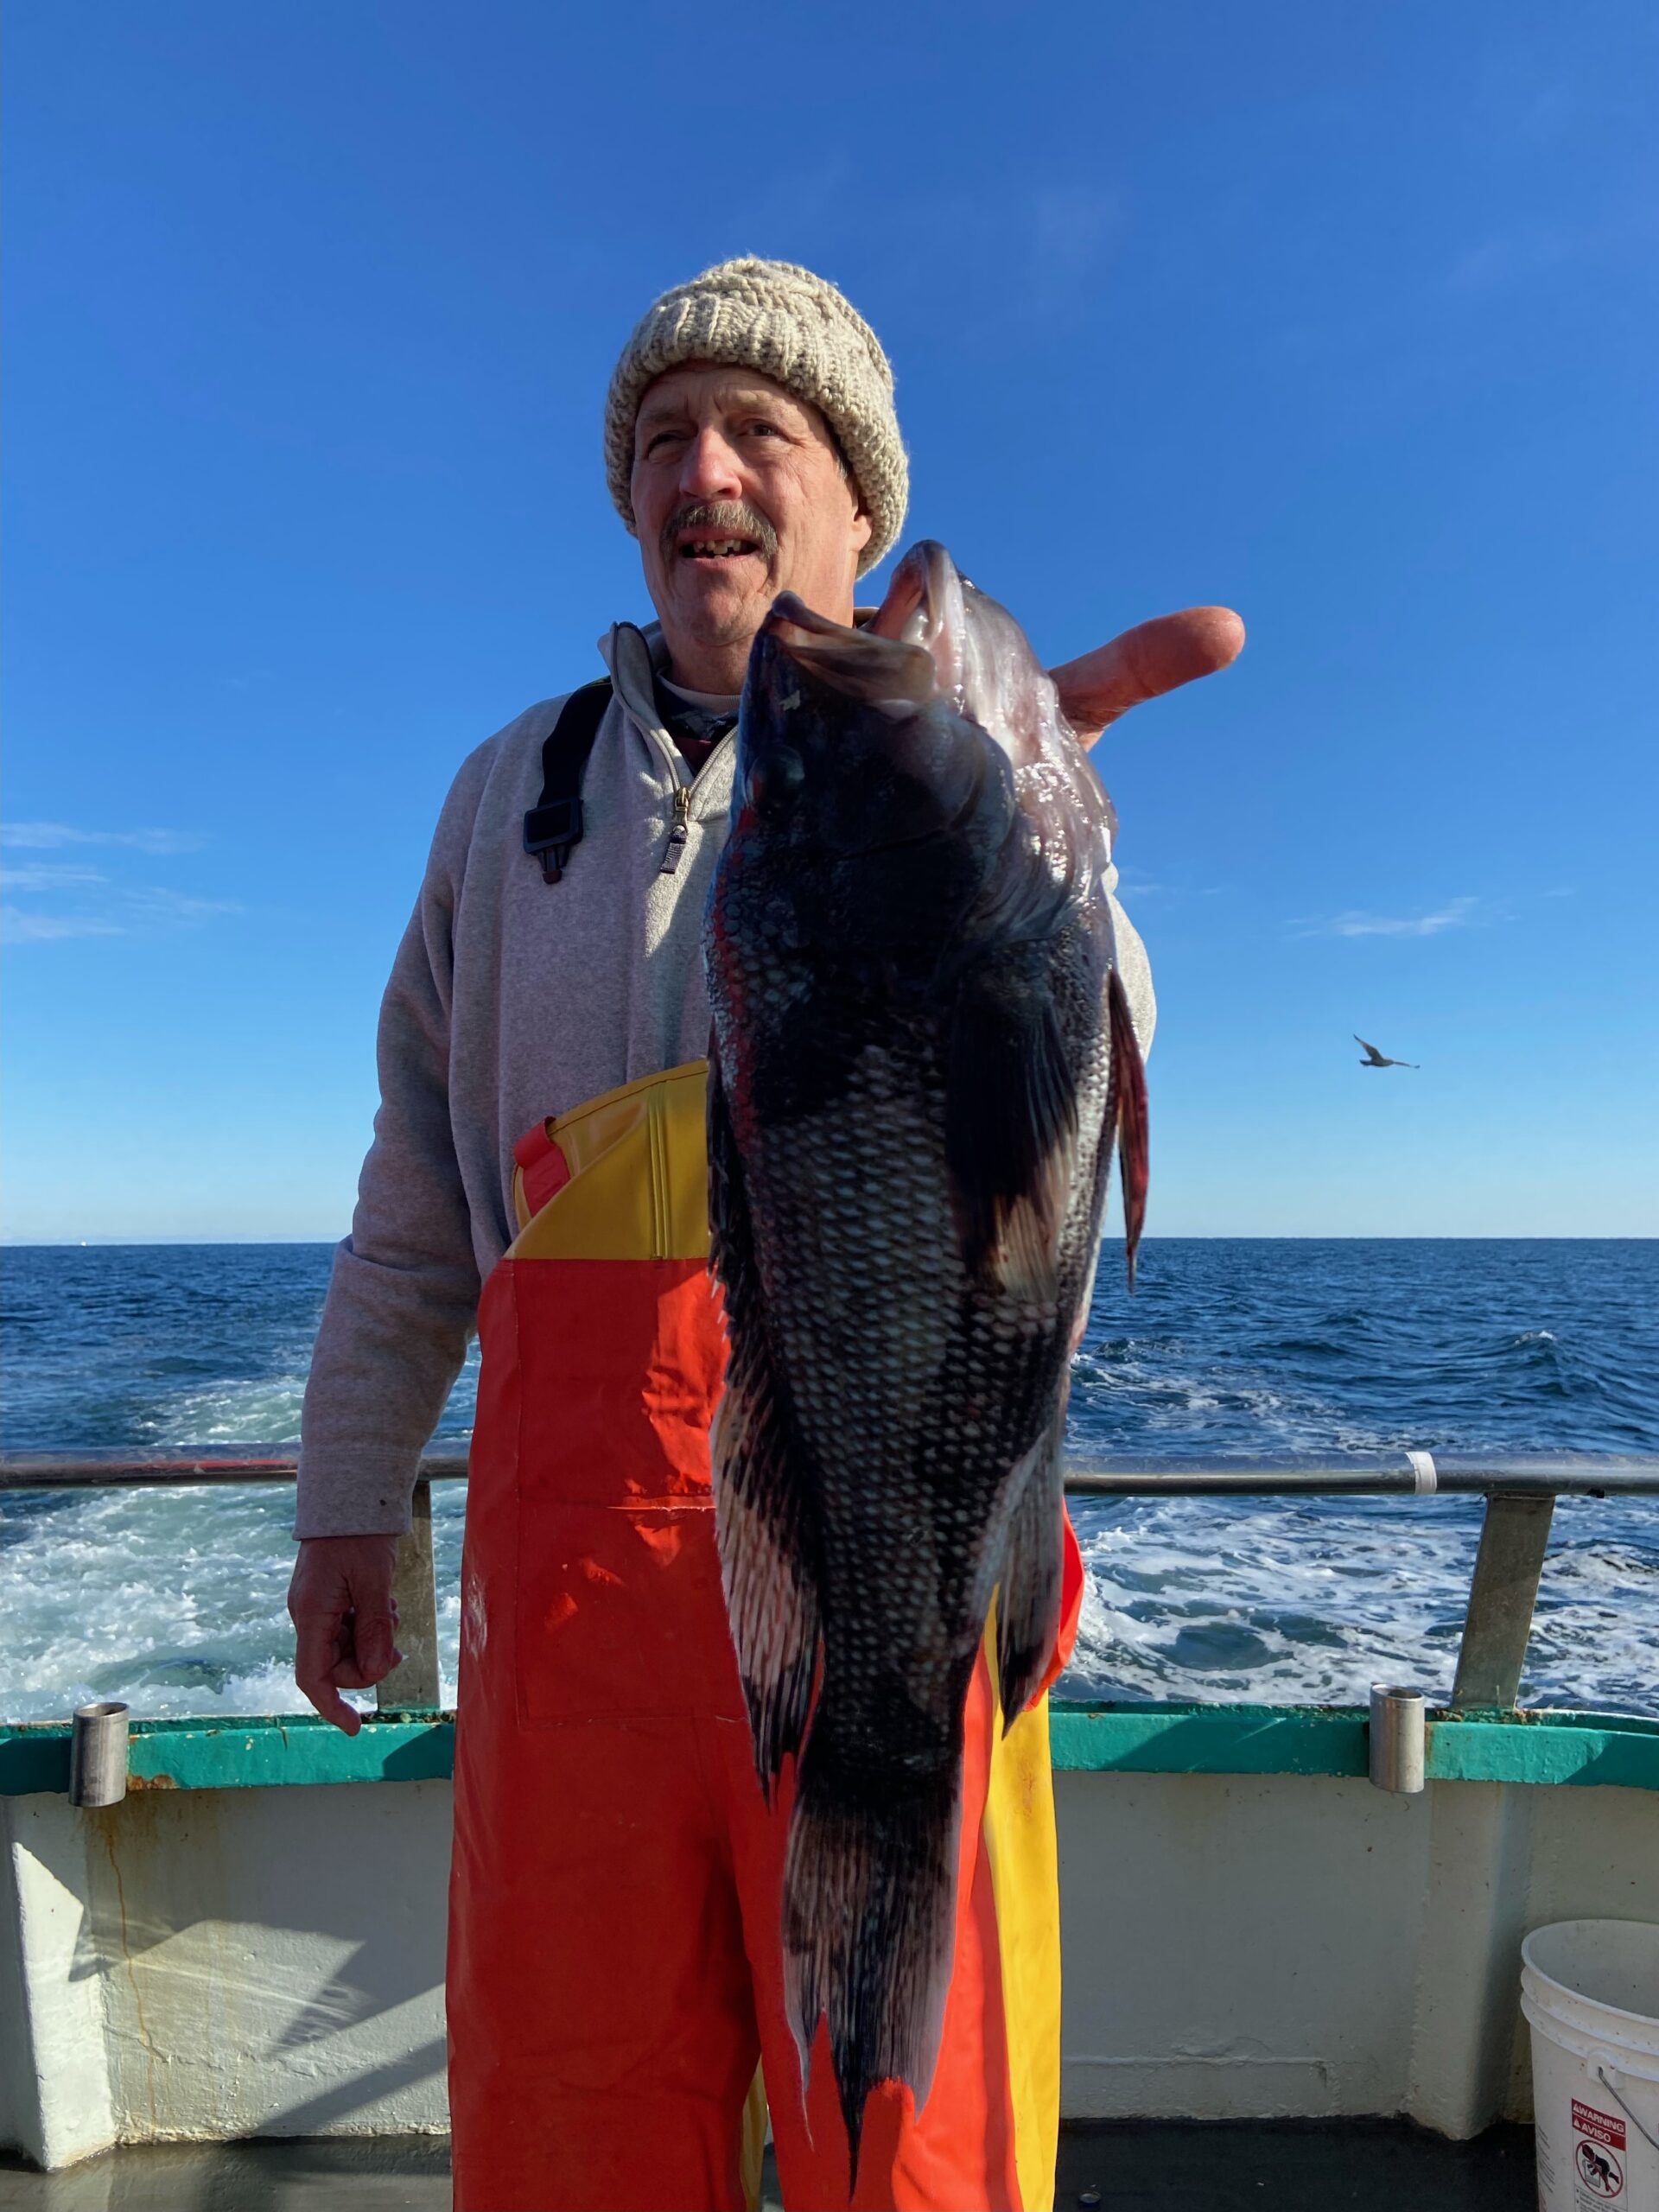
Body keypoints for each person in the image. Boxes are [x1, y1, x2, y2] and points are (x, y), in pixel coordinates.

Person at [289, 257, 1243, 2212]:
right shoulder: (503, 797)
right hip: (575, 1608)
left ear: (858, 504)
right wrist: (345, 1490)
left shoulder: (982, 764)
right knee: (574, 2115)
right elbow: (410, 1187)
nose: (704, 470)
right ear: (630, 501)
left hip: (906, 1550)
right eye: (661, 438)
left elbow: (1077, 1102)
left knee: (919, 2138)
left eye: (762, 432)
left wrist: (1050, 875)